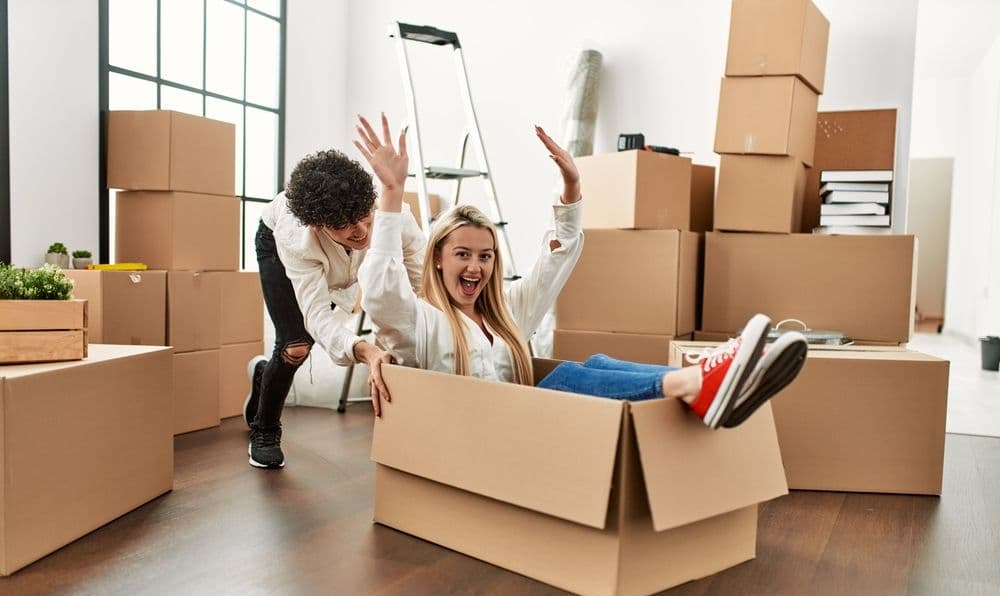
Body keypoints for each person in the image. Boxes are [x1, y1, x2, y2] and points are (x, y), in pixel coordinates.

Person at [354, 115, 808, 427]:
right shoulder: (422, 322)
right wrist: (392, 193)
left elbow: (557, 261)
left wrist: (572, 187)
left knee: (596, 364)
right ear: (438, 258)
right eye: (463, 255)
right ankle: (697, 382)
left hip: (526, 426)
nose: (476, 266)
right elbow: (380, 291)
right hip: (482, 434)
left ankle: (720, 376)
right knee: (564, 376)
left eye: (486, 256)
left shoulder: (506, 313)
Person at [242, 140, 426, 468]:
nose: (361, 231)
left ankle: (263, 375)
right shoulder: (296, 239)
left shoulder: (392, 213)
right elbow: (316, 315)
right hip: (272, 243)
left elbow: (423, 280)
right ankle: (265, 429)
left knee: (292, 350)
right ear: (319, 223)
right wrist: (365, 350)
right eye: (344, 224)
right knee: (296, 345)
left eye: (365, 216)